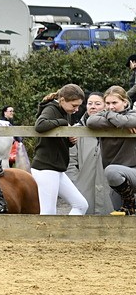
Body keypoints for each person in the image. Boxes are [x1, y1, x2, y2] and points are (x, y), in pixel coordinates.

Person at [31, 84, 89, 215]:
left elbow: (56, 140)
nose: (76, 109)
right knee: (48, 212)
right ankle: (47, 236)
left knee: (81, 205)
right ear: (62, 100)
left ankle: (66, 234)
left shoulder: (65, 111)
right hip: (46, 167)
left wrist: (69, 141)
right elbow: (40, 125)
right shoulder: (51, 108)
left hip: (57, 168)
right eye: (74, 105)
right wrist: (63, 123)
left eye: (78, 106)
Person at [85, 85, 136, 215]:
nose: (110, 106)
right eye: (107, 103)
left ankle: (130, 201)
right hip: (116, 181)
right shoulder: (105, 114)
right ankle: (129, 202)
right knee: (121, 215)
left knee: (111, 170)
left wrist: (112, 118)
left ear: (125, 102)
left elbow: (130, 122)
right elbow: (91, 122)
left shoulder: (133, 114)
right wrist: (117, 119)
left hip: (132, 171)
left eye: (115, 103)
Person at [67, 92, 111, 214]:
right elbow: (69, 162)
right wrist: (75, 184)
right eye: (90, 103)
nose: (93, 106)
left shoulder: (116, 131)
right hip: (83, 189)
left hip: (109, 189)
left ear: (105, 106)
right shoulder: (76, 131)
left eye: (97, 104)